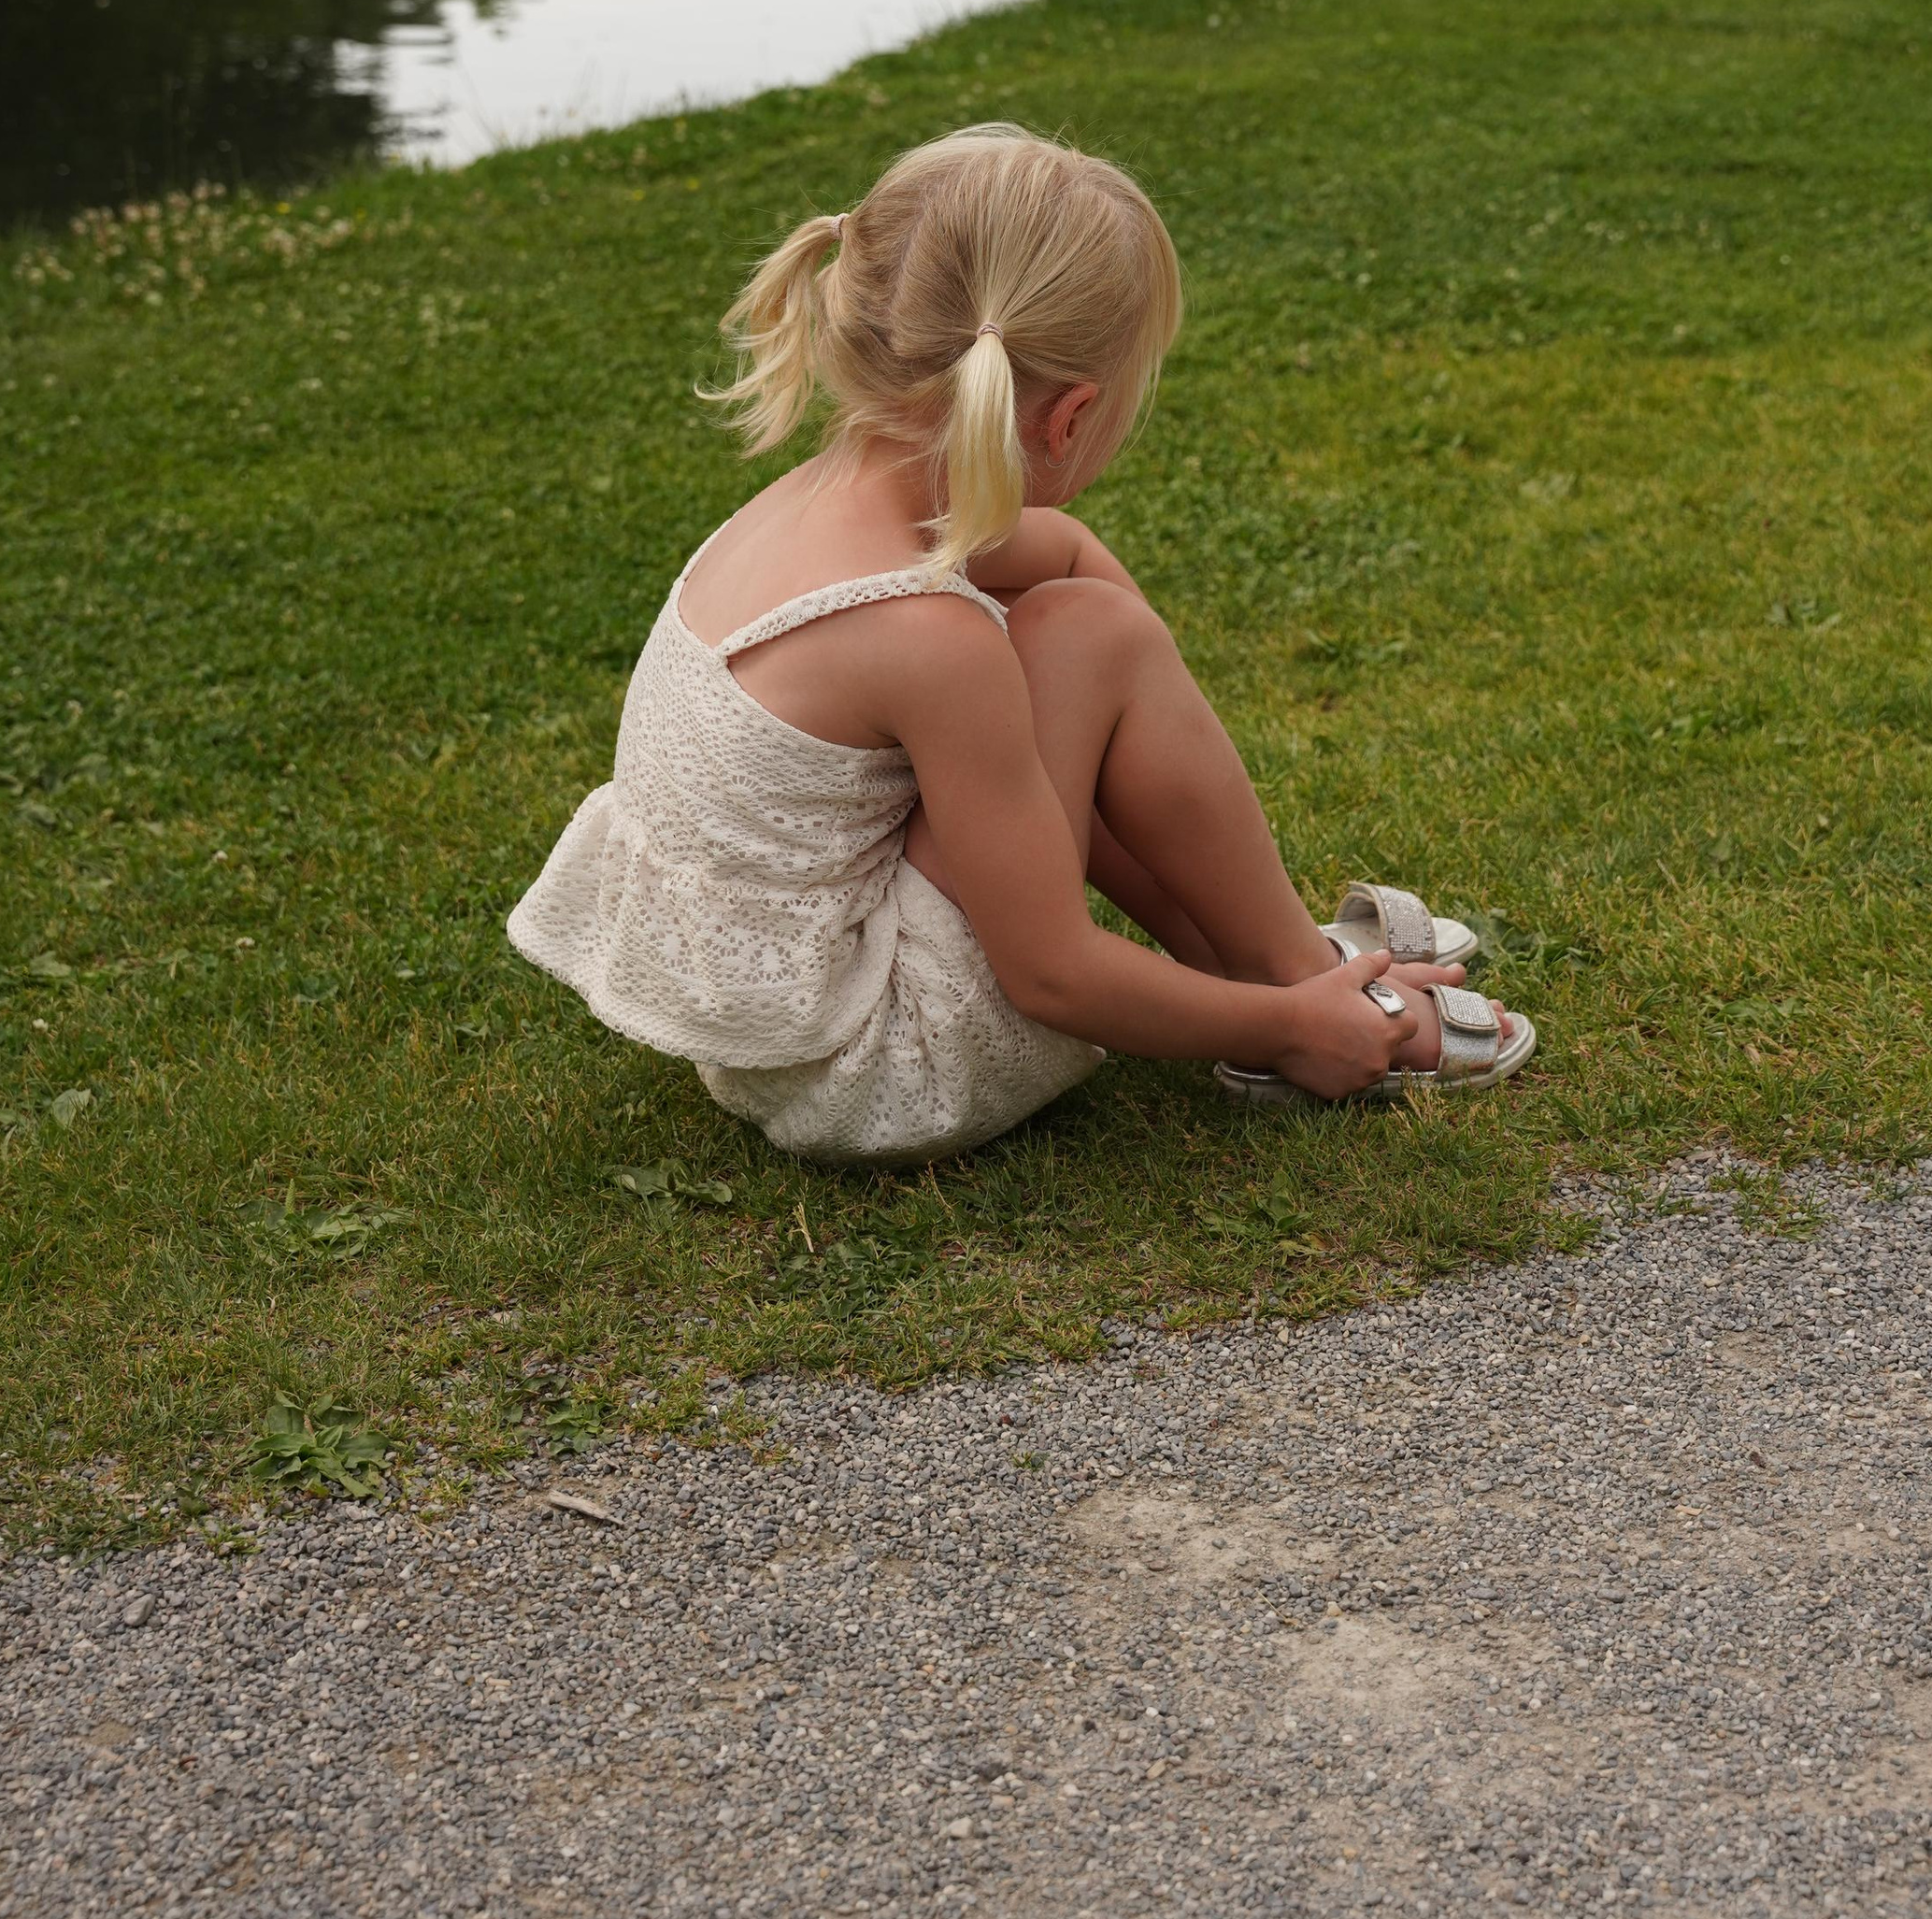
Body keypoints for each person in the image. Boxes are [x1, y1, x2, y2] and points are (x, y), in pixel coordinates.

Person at [509, 124, 1533, 1167]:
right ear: (1071, 415)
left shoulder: (812, 507)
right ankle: (1299, 999)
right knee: (1092, 634)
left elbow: (1069, 559)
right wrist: (1281, 1025)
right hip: (882, 1073)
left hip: (769, 1036)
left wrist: (1137, 763)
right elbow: (1052, 976)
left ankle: (1266, 958)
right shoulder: (925, 637)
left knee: (1083, 614)